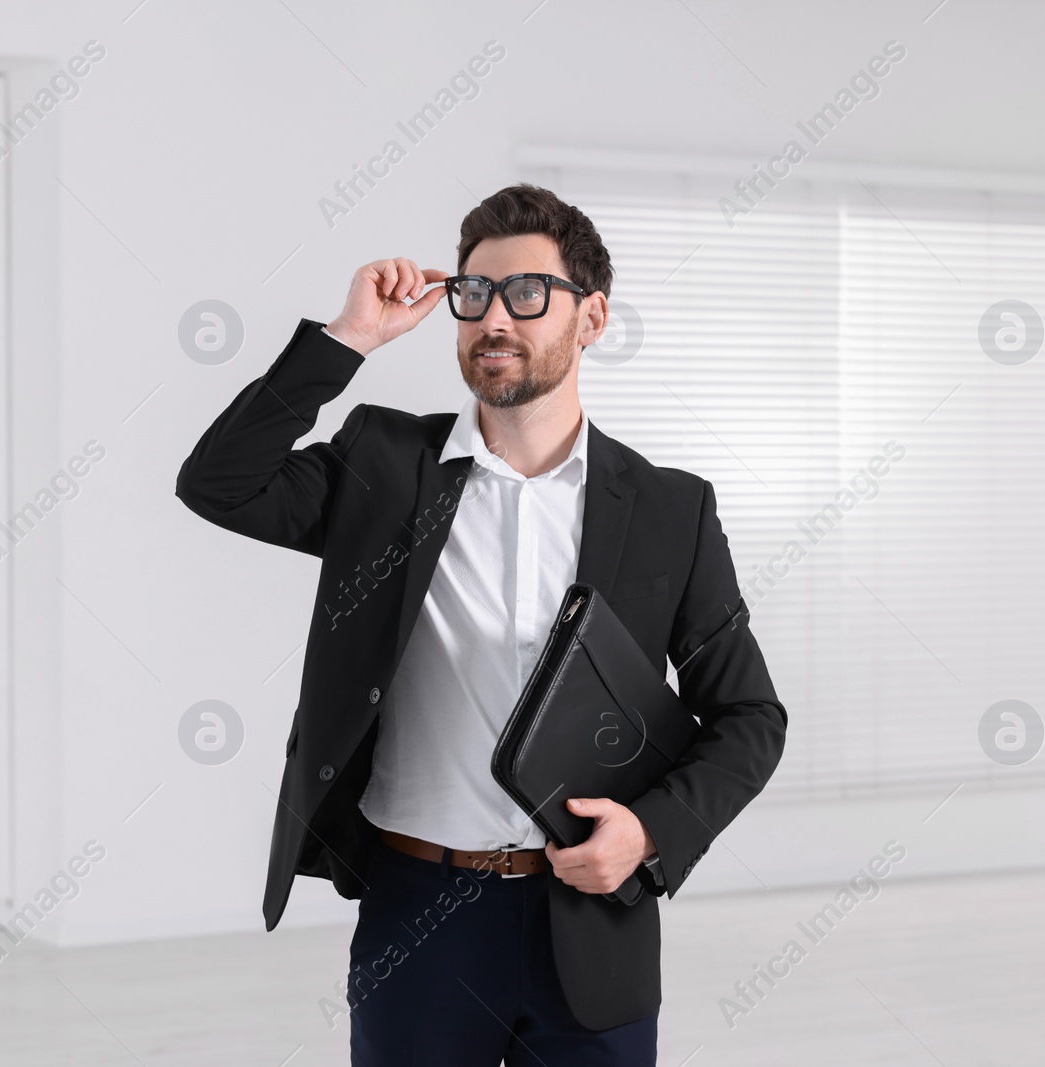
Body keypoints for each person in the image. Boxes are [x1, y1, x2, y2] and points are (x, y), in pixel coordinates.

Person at [176, 183, 786, 1066]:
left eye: (528, 293)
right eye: (475, 294)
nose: (495, 318)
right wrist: (347, 340)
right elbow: (217, 483)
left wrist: (648, 833)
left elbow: (749, 718)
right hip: (419, 913)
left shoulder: (668, 509)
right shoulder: (384, 465)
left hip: (590, 921)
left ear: (594, 316)